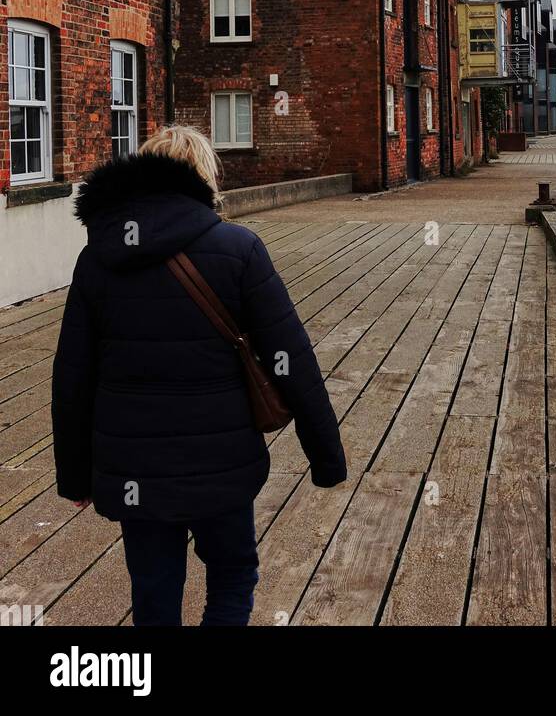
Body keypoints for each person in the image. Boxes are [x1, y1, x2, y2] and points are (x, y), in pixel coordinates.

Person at [51, 125, 347, 626]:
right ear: (205, 177)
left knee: (153, 590)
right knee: (232, 576)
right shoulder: (239, 249)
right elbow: (290, 359)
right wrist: (326, 457)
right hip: (223, 464)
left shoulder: (98, 257)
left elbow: (73, 375)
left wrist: (74, 475)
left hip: (133, 471)